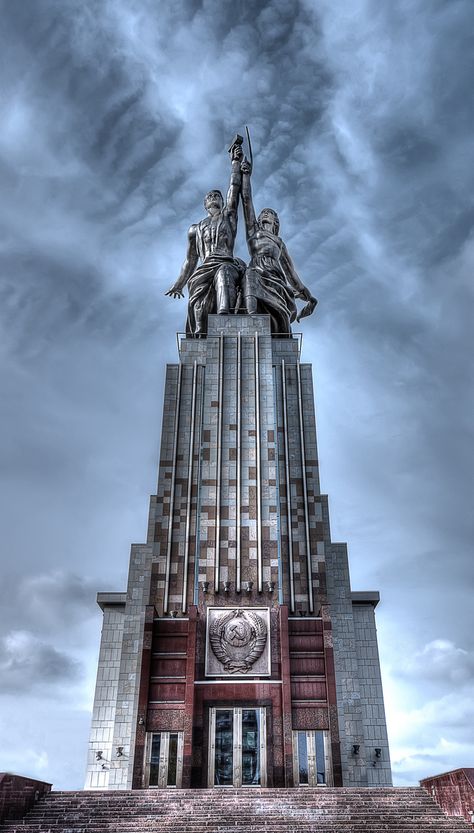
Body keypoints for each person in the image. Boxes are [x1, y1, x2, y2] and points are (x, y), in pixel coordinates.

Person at [165, 143, 246, 337]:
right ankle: (201, 333)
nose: (213, 196)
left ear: (221, 201)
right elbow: (190, 260)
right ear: (205, 204)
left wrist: (235, 162)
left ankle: (224, 319)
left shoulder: (229, 217)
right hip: (203, 268)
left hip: (225, 263)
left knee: (223, 274)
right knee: (199, 300)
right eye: (210, 196)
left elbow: (234, 188)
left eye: (217, 195)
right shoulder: (195, 229)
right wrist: (179, 283)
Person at [239, 158, 317, 334]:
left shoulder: (279, 243)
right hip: (256, 271)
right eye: (263, 213)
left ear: (276, 222)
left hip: (276, 278)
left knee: (278, 298)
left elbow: (291, 273)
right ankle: (251, 319)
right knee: (249, 274)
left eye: (270, 213)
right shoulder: (253, 232)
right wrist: (246, 176)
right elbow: (246, 200)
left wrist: (308, 295)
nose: (265, 214)